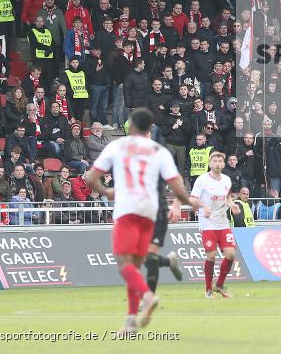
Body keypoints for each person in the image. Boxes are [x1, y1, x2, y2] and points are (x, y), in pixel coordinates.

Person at [84, 108, 197, 335]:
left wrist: (106, 192)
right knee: (136, 266)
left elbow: (89, 177)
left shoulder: (117, 146)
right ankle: (130, 323)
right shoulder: (159, 150)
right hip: (150, 211)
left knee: (124, 265)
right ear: (150, 127)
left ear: (131, 125)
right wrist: (187, 202)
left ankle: (148, 296)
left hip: (127, 209)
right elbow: (178, 187)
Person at [190, 150, 240, 298]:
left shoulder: (226, 180)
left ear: (223, 164)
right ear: (210, 163)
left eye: (220, 161)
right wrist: (203, 206)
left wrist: (232, 205)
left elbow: (228, 197)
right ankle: (208, 289)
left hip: (223, 222)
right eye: (215, 161)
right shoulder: (202, 180)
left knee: (230, 254)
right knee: (211, 256)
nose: (217, 164)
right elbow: (192, 199)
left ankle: (219, 285)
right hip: (208, 224)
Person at [144, 177, 184, 293]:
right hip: (137, 213)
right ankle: (169, 262)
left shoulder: (160, 159)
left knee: (151, 256)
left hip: (158, 213)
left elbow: (177, 180)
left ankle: (149, 298)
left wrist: (176, 206)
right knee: (141, 257)